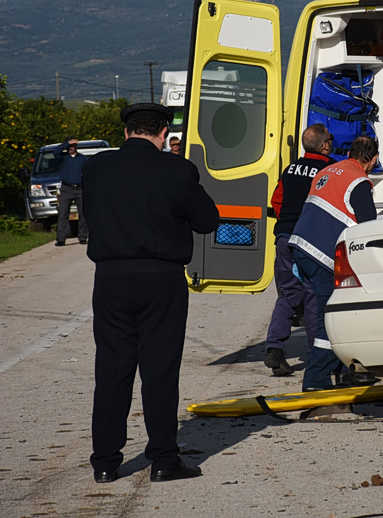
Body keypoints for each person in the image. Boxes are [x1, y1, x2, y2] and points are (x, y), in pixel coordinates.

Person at [82, 103, 219, 484]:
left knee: (111, 370)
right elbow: (208, 221)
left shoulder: (95, 167)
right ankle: (162, 458)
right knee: (159, 371)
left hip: (110, 277)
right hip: (162, 279)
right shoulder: (178, 170)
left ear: (126, 133)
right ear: (163, 135)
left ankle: (106, 463)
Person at [289, 135, 379, 391]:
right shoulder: (360, 181)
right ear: (373, 159)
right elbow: (367, 227)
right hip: (321, 254)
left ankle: (344, 372)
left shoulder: (328, 170)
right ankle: (316, 380)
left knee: (331, 311)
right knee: (332, 319)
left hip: (299, 246)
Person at [263, 124, 334, 377]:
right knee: (313, 295)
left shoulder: (291, 169)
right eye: (330, 140)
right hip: (310, 242)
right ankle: (317, 354)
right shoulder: (329, 170)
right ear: (325, 145)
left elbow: (276, 200)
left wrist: (288, 224)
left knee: (288, 295)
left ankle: (274, 348)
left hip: (284, 238)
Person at [53, 136, 88, 246]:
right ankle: (61, 238)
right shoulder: (63, 158)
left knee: (83, 213)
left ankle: (83, 236)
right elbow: (55, 152)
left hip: (80, 188)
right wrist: (66, 143)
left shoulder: (82, 159)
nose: (70, 148)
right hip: (66, 188)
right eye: (69, 146)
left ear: (76, 146)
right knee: (63, 213)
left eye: (72, 146)